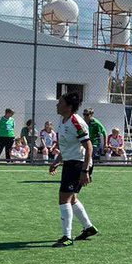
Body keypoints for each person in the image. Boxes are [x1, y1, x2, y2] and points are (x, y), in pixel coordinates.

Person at [49, 90, 98, 247]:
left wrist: (85, 171)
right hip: (70, 163)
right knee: (72, 198)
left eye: (60, 103)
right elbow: (66, 146)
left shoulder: (76, 122)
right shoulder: (63, 120)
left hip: (78, 164)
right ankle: (89, 227)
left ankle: (67, 237)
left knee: (64, 199)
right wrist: (57, 160)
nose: (57, 105)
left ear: (69, 107)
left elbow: (88, 147)